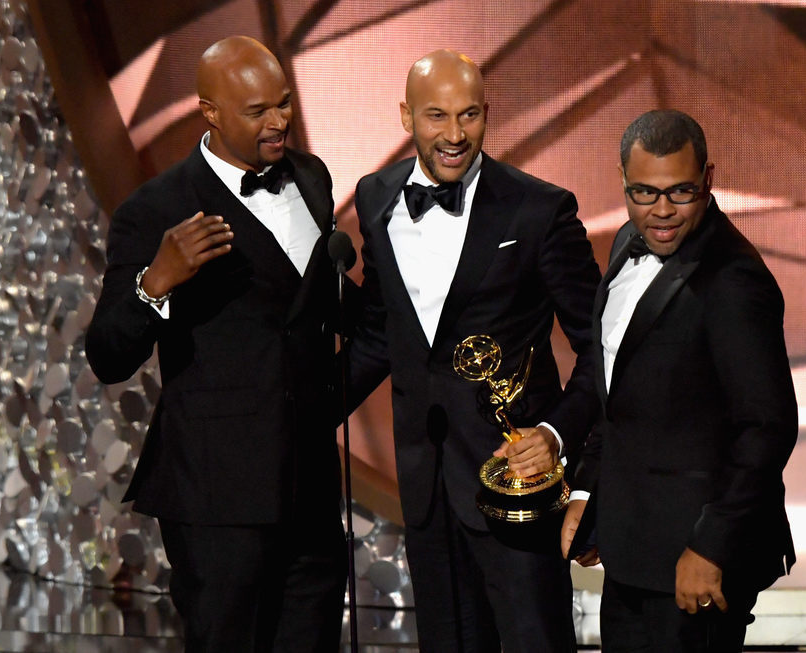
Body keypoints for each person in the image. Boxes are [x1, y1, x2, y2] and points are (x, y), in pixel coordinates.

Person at [85, 36, 346, 653]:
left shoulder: (310, 177)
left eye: (283, 104)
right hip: (216, 496)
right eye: (258, 111)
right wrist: (157, 282)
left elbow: (309, 311)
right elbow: (107, 354)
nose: (279, 121)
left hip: (309, 489)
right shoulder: (155, 209)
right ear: (210, 112)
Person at [346, 49, 600, 652]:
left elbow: (601, 349)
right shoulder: (375, 198)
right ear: (406, 116)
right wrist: (305, 413)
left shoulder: (540, 209)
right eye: (437, 117)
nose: (455, 136)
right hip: (426, 483)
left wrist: (557, 436)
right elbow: (384, 332)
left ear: (488, 114)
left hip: (515, 482)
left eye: (470, 116)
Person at [561, 109, 798, 652]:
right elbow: (618, 393)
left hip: (696, 567)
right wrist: (589, 486)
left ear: (708, 180)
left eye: (680, 192)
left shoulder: (734, 280)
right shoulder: (625, 242)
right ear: (623, 180)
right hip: (631, 553)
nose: (661, 211)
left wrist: (710, 547)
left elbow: (767, 427)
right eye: (644, 193)